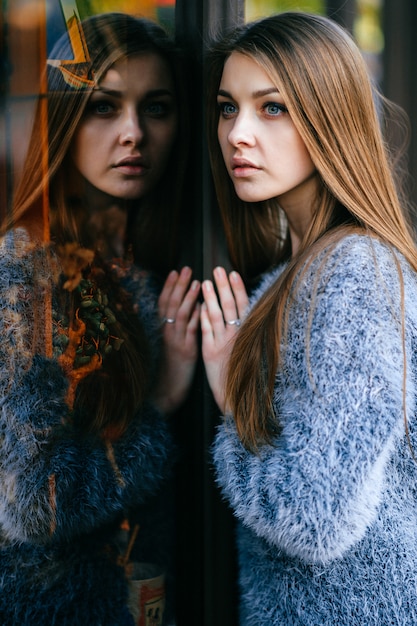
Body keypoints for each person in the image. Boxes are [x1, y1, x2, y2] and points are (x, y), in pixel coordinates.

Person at [201, 11, 417, 625]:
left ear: (330, 117)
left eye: (271, 108)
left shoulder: (355, 273)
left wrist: (230, 395)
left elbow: (316, 516)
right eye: (226, 107)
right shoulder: (300, 269)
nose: (238, 133)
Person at [0, 12, 200, 626]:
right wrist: (160, 404)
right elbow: (30, 504)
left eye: (157, 107)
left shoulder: (147, 255)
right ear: (65, 118)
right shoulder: (25, 272)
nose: (134, 133)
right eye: (105, 107)